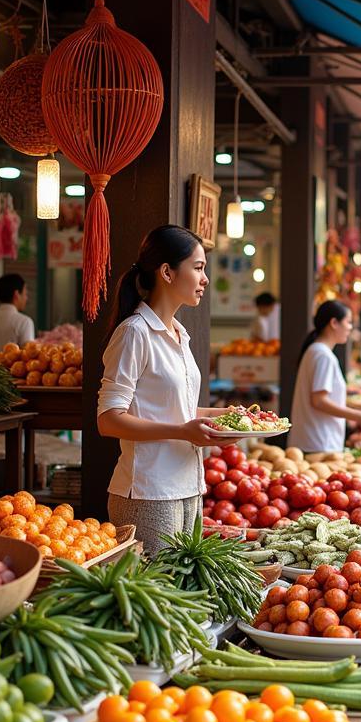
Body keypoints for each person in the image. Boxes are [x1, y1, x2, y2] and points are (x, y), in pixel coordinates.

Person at [97, 225, 223, 557]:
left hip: (190, 487)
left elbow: (175, 412)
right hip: (148, 492)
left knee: (181, 600)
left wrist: (228, 418)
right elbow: (109, 420)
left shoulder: (180, 334)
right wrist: (182, 431)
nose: (205, 279)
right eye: (198, 267)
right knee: (159, 597)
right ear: (167, 272)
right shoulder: (134, 333)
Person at [287, 301, 361, 454]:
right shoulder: (323, 355)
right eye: (348, 322)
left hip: (314, 442)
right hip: (318, 444)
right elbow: (319, 401)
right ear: (334, 323)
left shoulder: (317, 351)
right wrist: (360, 416)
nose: (350, 328)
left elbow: (330, 399)